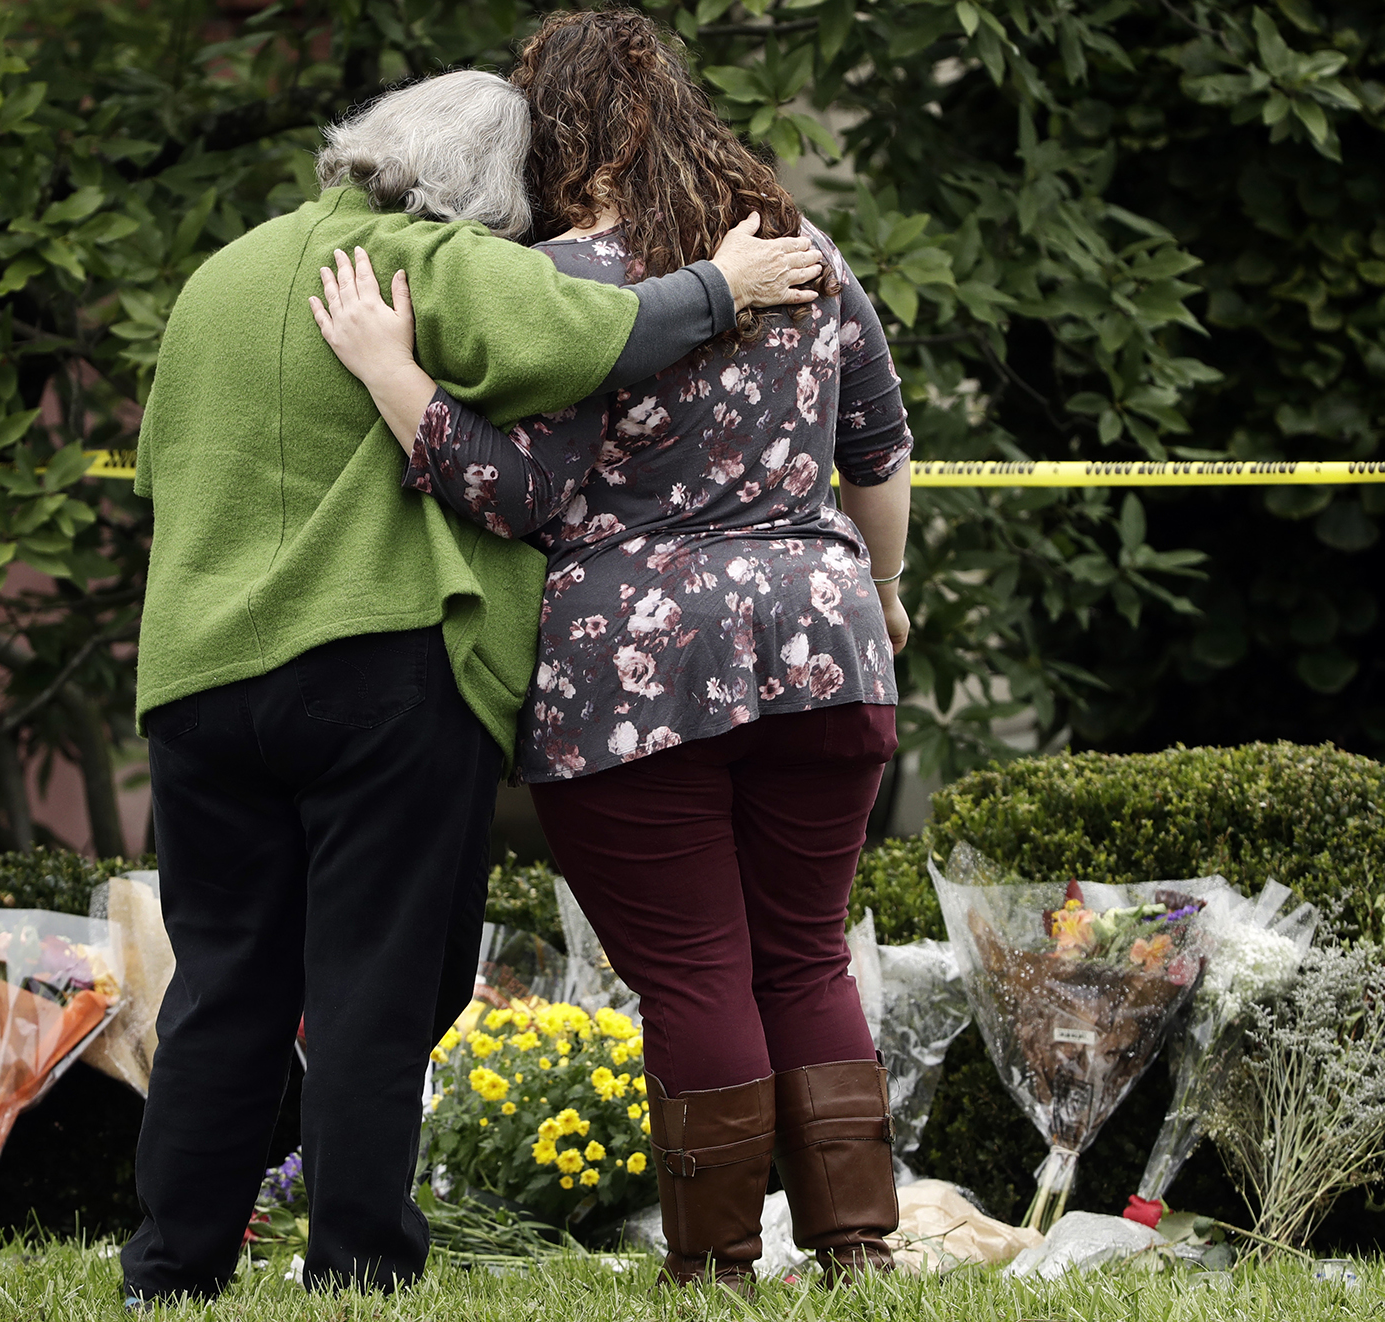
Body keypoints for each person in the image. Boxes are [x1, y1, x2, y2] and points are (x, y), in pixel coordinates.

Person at [123, 68, 825, 1305]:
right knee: (376, 984)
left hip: (201, 678)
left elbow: (155, 471)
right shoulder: (431, 260)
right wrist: (727, 283)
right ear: (488, 188)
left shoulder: (218, 278)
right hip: (374, 665)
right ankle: (356, 1267)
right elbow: (596, 330)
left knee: (223, 979)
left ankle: (172, 1269)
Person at [309, 13, 915, 1294]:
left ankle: (717, 1266)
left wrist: (389, 373)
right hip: (826, 639)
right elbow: (878, 442)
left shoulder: (567, 283)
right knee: (805, 951)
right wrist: (884, 590)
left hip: (636, 670)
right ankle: (857, 1245)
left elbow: (513, 489)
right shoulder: (800, 248)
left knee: (695, 969)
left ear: (554, 136)